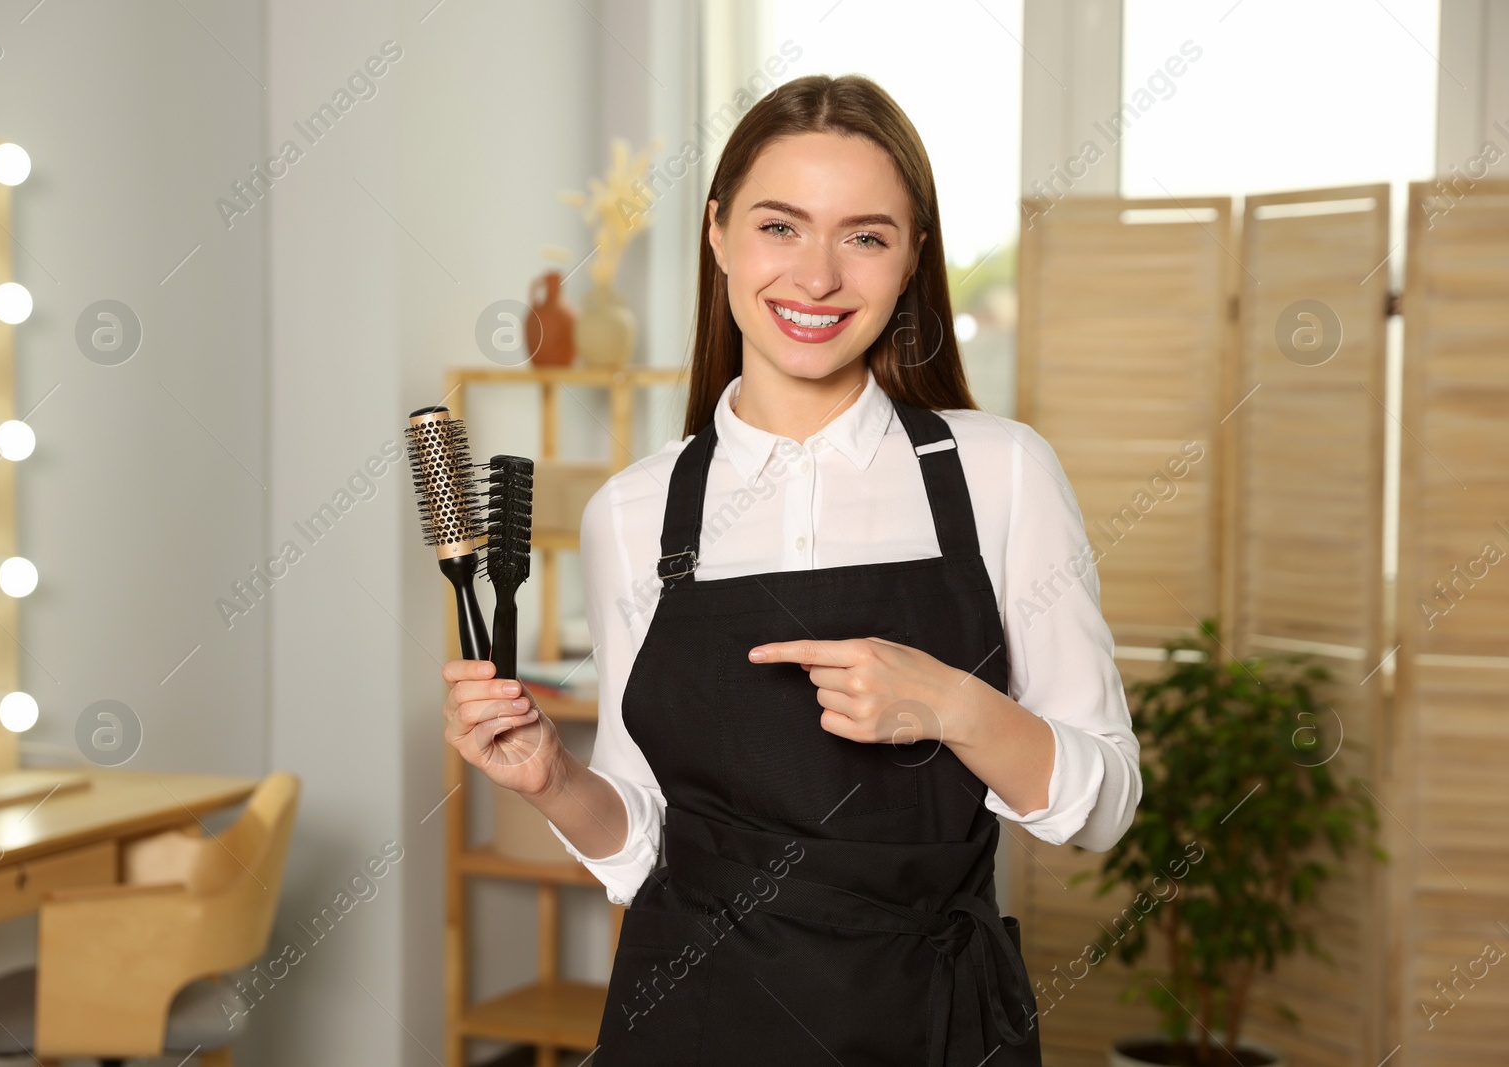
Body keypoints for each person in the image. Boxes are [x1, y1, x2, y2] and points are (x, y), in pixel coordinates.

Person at [442, 73, 1140, 1066]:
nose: (815, 277)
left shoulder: (998, 472)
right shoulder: (634, 515)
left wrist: (950, 703)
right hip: (690, 1020)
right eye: (780, 226)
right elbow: (648, 847)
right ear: (719, 233)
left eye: (864, 235)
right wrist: (554, 780)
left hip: (929, 1023)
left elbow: (1103, 803)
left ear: (910, 261)